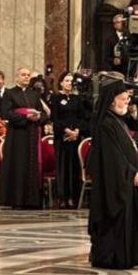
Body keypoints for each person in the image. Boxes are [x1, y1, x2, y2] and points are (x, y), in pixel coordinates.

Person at [87, 72, 138, 269]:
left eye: (127, 99)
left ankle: (125, 256)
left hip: (124, 179)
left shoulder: (116, 120)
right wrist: (131, 172)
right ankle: (112, 257)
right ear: (112, 101)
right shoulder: (106, 123)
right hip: (113, 183)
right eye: (123, 99)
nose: (126, 102)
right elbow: (113, 157)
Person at [0, 68, 49, 209]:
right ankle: (17, 200)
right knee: (19, 165)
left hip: (33, 134)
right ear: (16, 77)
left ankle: (32, 200)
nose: (26, 77)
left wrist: (39, 117)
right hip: (17, 136)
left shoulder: (34, 94)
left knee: (32, 165)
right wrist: (25, 117)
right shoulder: (9, 93)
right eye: (23, 75)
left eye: (28, 75)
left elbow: (44, 114)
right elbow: (7, 113)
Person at [51, 72, 87, 208]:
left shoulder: (77, 99)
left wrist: (76, 131)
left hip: (75, 137)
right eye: (67, 80)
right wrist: (67, 131)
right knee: (63, 167)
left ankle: (73, 197)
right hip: (62, 136)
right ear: (61, 83)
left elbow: (81, 117)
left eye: (71, 81)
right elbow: (55, 118)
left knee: (74, 167)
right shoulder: (56, 98)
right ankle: (62, 197)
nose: (69, 83)